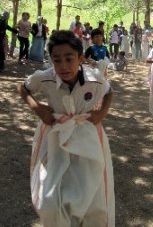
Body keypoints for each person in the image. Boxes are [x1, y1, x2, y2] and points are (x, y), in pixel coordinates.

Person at [17, 30, 115, 227]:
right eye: (57, 60)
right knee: (50, 197)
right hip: (55, 136)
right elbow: (23, 88)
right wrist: (37, 108)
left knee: (91, 194)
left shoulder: (94, 78)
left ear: (80, 58)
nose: (63, 66)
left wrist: (101, 113)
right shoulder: (45, 78)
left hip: (87, 135)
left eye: (69, 59)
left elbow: (109, 91)